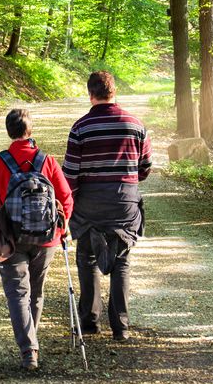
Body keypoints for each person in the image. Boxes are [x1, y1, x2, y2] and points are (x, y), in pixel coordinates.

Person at [0, 107, 73, 371]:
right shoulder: (48, 161)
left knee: (18, 292)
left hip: (11, 239)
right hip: (46, 238)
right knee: (36, 291)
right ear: (30, 130)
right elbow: (66, 197)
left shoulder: (0, 162)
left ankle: (29, 350)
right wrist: (62, 227)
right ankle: (31, 341)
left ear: (9, 131)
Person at [63, 70, 151, 341]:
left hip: (89, 202)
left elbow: (70, 175)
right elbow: (145, 168)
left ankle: (89, 322)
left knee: (87, 258)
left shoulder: (80, 127)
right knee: (122, 261)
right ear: (114, 92)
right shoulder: (136, 125)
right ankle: (121, 327)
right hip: (124, 201)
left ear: (90, 94)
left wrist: (71, 205)